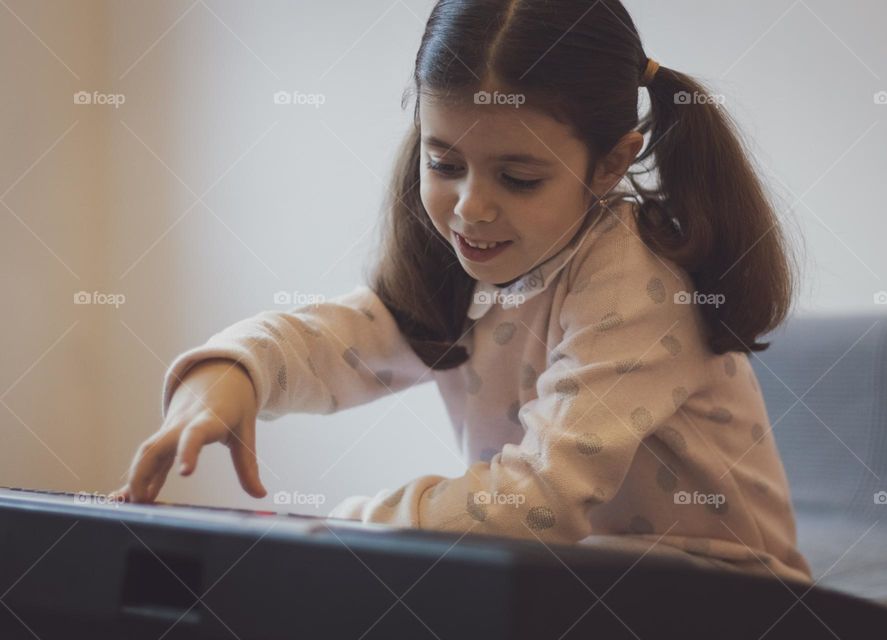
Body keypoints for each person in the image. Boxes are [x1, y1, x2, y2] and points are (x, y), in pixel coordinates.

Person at [112, 0, 812, 584]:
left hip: (727, 589)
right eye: (444, 162)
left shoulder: (635, 285)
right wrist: (231, 373)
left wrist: (348, 526)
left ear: (610, 164)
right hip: (571, 574)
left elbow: (540, 504)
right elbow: (339, 339)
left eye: (519, 177)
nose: (471, 208)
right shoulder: (475, 263)